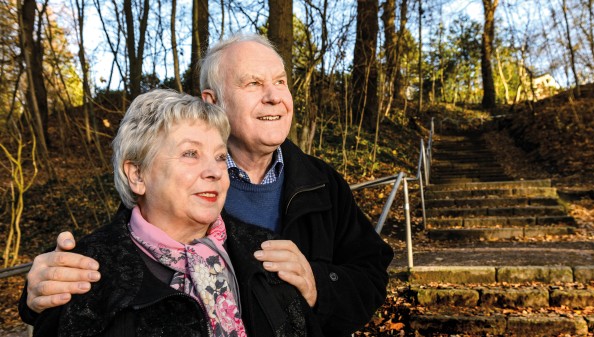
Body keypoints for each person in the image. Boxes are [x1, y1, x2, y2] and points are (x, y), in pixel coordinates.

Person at [19, 34, 394, 336]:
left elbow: (372, 272)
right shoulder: (166, 185)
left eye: (281, 81)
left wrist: (317, 287)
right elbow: (120, 261)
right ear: (213, 101)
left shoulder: (323, 182)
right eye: (253, 83)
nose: (275, 96)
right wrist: (38, 295)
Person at [28, 89, 314, 337]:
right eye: (191, 154)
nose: (215, 171)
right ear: (137, 174)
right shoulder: (81, 273)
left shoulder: (265, 252)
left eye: (218, 156)